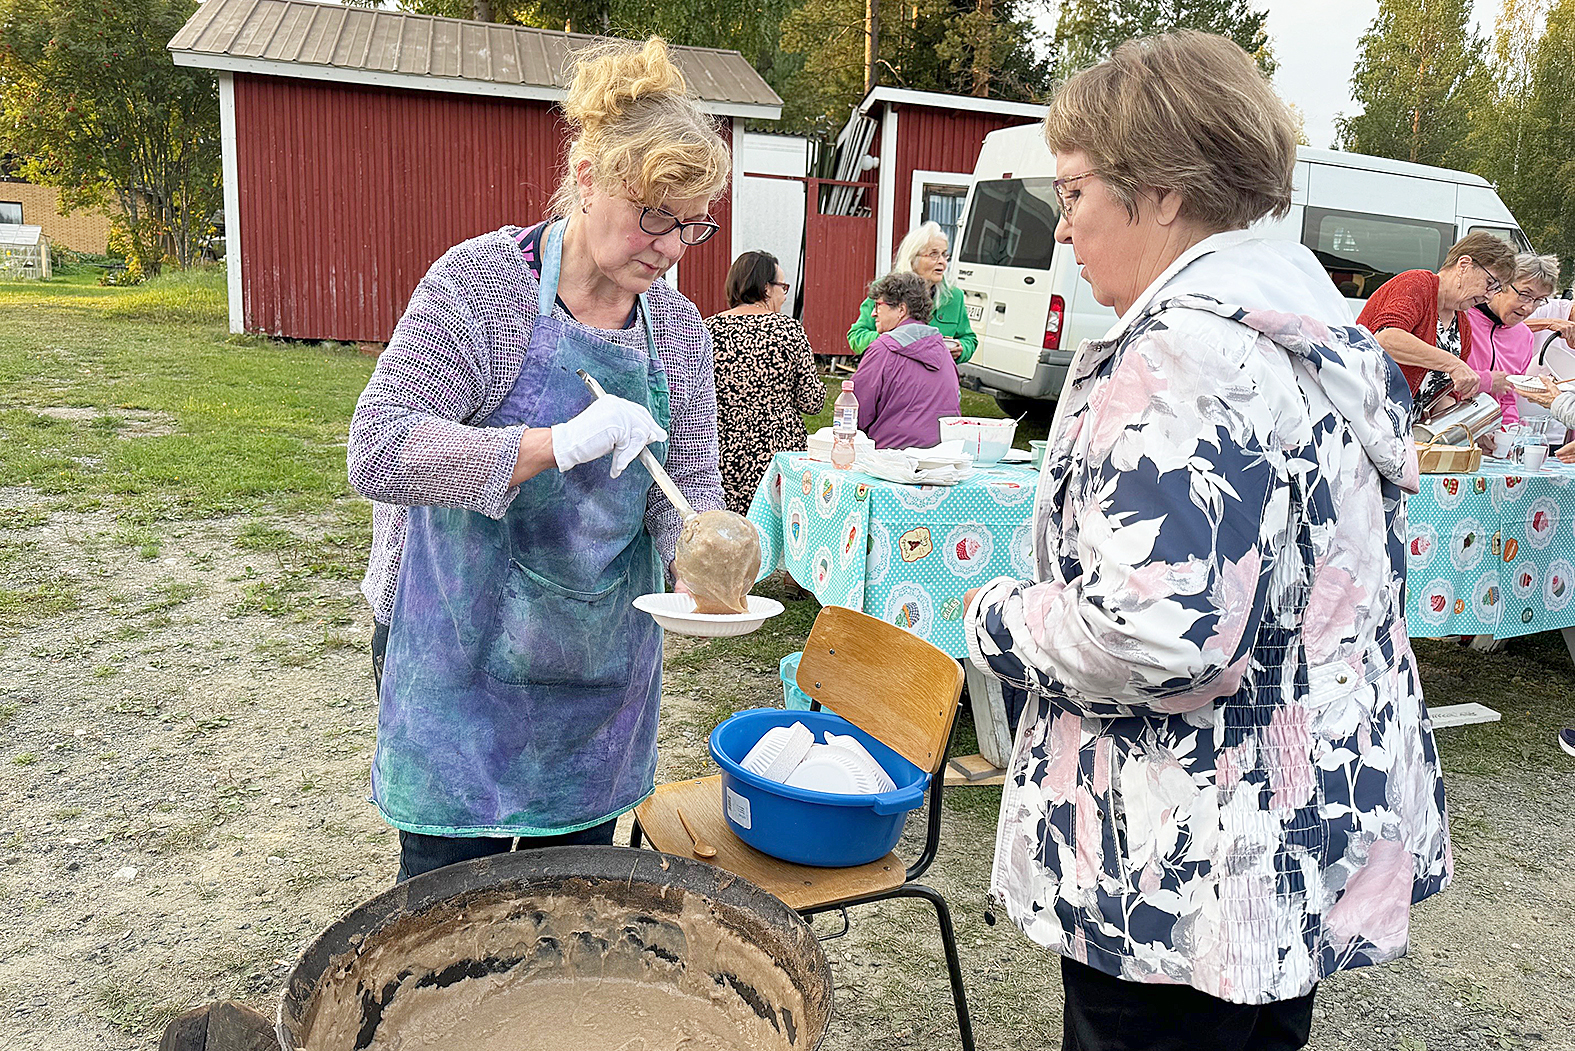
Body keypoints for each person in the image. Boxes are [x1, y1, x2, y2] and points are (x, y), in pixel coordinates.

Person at [962, 32, 1449, 1051]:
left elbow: (1156, 635)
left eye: (1078, 190)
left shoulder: (1184, 358)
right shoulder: (1305, 332)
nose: (1064, 228)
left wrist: (996, 617)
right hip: (1275, 850)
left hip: (1178, 865)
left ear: (1165, 193)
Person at [346, 37, 729, 883]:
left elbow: (685, 482)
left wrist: (702, 541)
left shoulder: (677, 334)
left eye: (691, 223)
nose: (669, 247)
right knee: (448, 923)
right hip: (457, 665)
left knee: (570, 919)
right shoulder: (480, 288)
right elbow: (378, 447)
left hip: (597, 673)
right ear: (587, 177)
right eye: (652, 215)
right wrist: (552, 444)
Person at [704, 250, 826, 513]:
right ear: (765, 288)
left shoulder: (706, 329)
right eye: (782, 286)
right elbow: (812, 402)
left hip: (723, 453)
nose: (785, 294)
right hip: (778, 457)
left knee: (730, 536)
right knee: (776, 536)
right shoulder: (788, 330)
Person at [1357, 230, 1516, 418]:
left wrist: (1461, 430)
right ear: (1464, 265)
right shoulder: (1417, 283)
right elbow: (1386, 339)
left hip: (1402, 429)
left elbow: (1441, 395)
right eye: (1490, 283)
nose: (1489, 296)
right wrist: (1453, 364)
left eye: (1496, 289)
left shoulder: (1462, 325)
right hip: (1364, 414)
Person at [849, 271, 961, 449]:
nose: (873, 314)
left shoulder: (882, 350)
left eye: (878, 305)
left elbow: (854, 412)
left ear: (901, 309)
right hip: (942, 456)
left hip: (889, 460)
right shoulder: (945, 351)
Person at [847, 221, 977, 362]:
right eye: (934, 254)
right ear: (913, 258)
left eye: (944, 255)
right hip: (892, 373)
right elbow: (856, 337)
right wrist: (889, 341)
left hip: (935, 377)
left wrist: (961, 349)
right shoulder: (885, 290)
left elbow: (969, 339)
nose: (942, 262)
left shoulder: (954, 297)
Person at [1463, 253, 1562, 427]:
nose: (1529, 307)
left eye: (1539, 300)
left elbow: (1508, 397)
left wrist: (1510, 428)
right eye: (1524, 295)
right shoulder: (1463, 317)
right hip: (1448, 431)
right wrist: (1487, 381)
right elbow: (1437, 379)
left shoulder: (1524, 336)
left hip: (1492, 439)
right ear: (1502, 284)